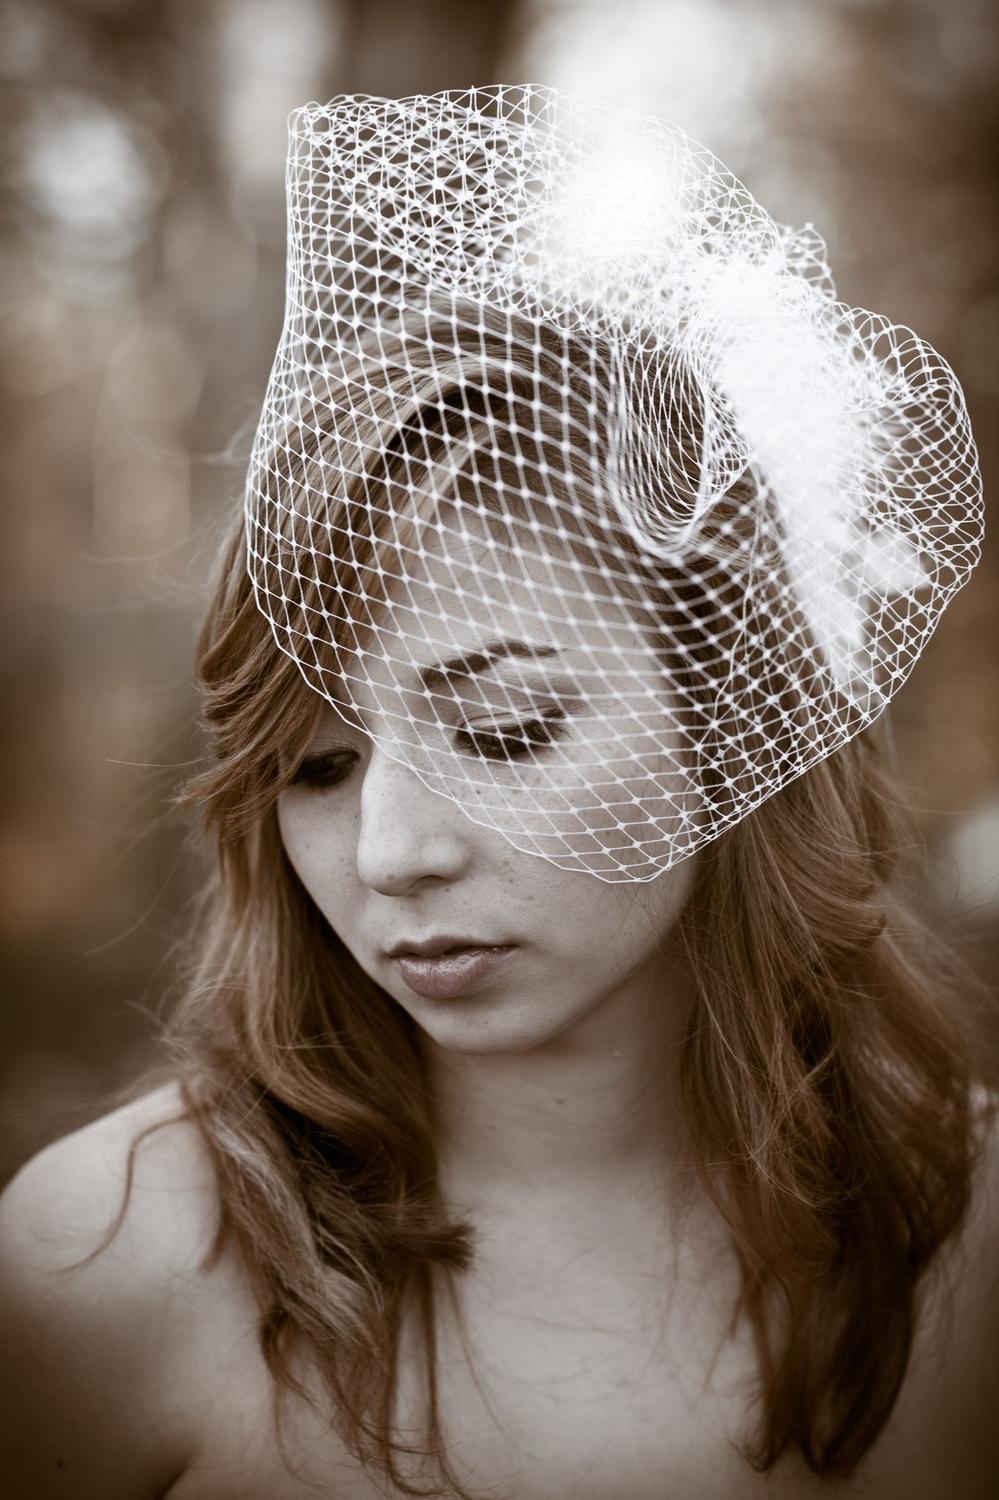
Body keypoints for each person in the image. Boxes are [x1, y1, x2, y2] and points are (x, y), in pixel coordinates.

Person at [1, 86, 996, 1500]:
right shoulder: (101, 1266)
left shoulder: (975, 1244)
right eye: (317, 769)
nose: (391, 854)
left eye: (509, 728)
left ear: (733, 720)